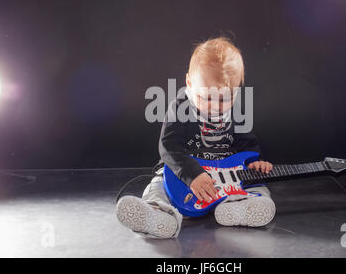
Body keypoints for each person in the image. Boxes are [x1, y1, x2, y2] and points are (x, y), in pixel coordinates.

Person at [116, 37, 276, 238]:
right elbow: (169, 146)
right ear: (189, 83)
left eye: (226, 98)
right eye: (207, 97)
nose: (216, 106)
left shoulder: (236, 112)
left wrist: (255, 162)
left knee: (256, 185)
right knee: (158, 186)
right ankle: (158, 214)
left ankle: (241, 209)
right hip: (183, 176)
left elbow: (246, 144)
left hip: (226, 178)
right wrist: (192, 175)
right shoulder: (180, 107)